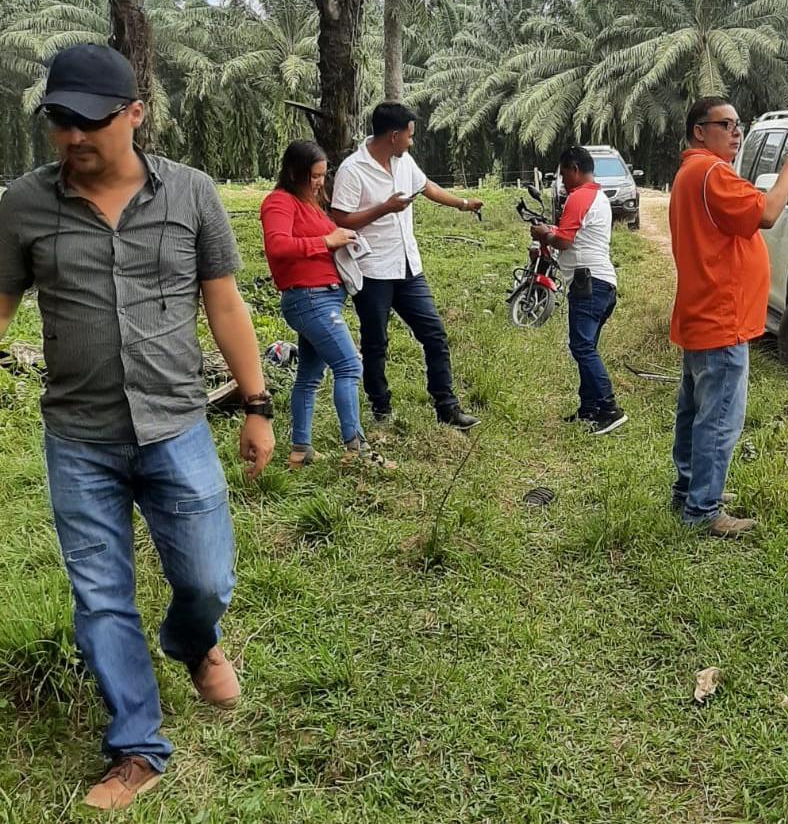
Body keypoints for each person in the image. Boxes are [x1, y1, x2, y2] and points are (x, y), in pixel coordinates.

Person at [0, 44, 275, 809]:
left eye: (91, 122)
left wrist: (255, 405)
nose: (74, 138)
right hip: (78, 437)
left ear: (134, 114)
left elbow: (224, 302)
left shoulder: (190, 194)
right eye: (60, 122)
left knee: (206, 578)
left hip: (177, 426)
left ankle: (192, 640)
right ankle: (137, 748)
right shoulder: (23, 205)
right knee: (100, 596)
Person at [668, 97, 788, 537]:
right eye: (725, 124)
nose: (736, 132)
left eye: (737, 124)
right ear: (699, 131)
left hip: (702, 314)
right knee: (719, 417)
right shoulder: (712, 173)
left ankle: (690, 490)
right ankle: (703, 511)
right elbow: (767, 213)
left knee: (695, 411)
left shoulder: (693, 172)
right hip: (721, 318)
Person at [330, 102, 482, 430]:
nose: (413, 142)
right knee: (376, 342)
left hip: (408, 267)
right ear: (394, 135)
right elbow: (340, 219)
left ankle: (447, 407)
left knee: (435, 335)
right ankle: (380, 408)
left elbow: (426, 187)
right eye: (410, 136)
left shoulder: (403, 161)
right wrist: (384, 208)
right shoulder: (352, 170)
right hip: (373, 270)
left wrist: (463, 204)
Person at [261, 140, 371, 468]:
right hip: (310, 299)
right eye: (314, 175)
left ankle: (300, 449)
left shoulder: (308, 203)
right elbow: (278, 246)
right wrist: (326, 240)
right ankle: (356, 448)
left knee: (309, 377)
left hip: (322, 298)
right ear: (295, 172)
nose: (320, 182)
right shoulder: (279, 203)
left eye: (323, 175)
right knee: (349, 366)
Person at [529, 145, 625, 434]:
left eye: (562, 173)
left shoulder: (579, 196)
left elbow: (566, 241)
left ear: (573, 168)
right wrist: (551, 233)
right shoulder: (597, 196)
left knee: (581, 346)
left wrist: (543, 233)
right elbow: (574, 237)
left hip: (589, 283)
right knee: (587, 346)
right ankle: (589, 408)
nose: (561, 180)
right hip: (601, 282)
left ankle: (609, 407)